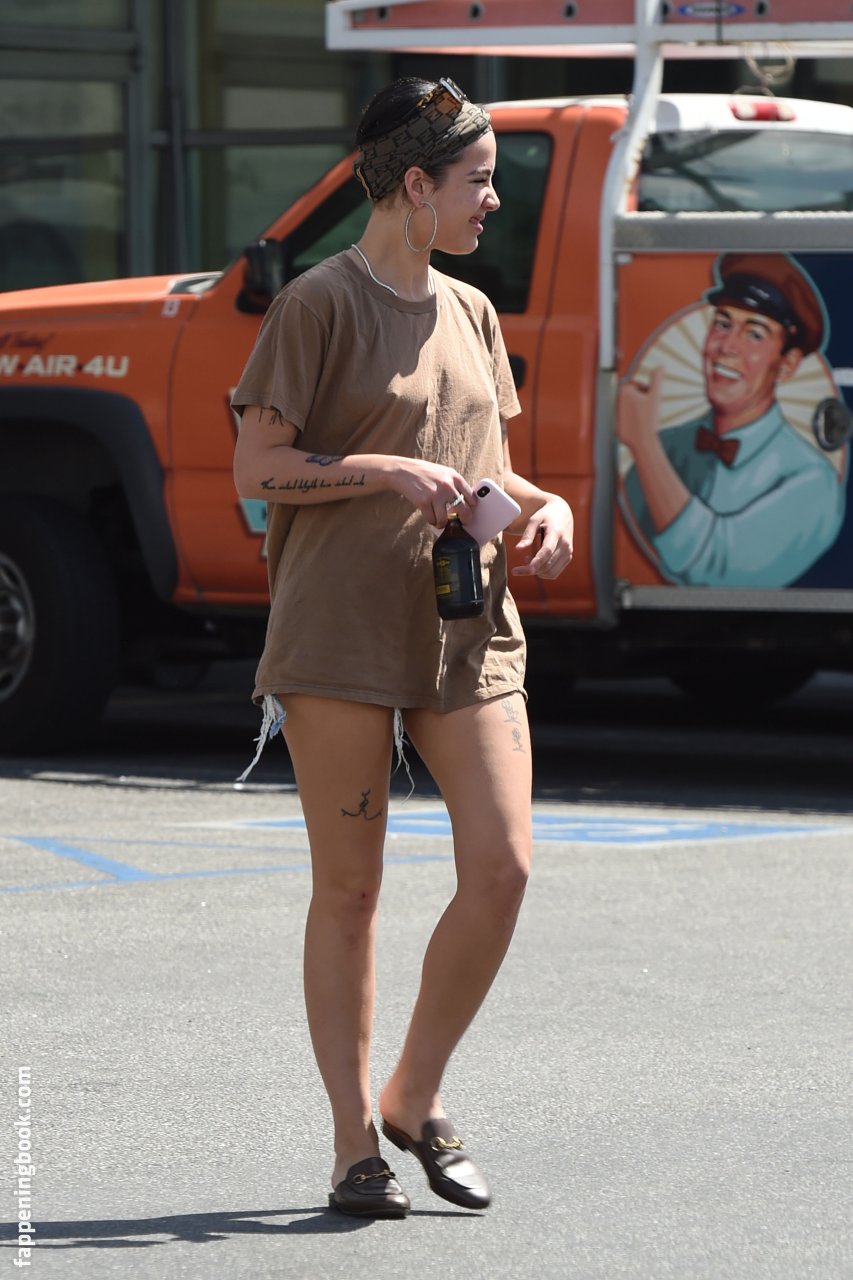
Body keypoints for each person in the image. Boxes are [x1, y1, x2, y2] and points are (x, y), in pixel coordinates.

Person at [231, 76, 574, 1218]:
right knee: (351, 891)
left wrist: (547, 509)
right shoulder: (316, 305)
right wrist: (380, 472)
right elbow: (258, 471)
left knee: (504, 866)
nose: (492, 200)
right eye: (478, 181)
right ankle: (352, 1145)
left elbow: (487, 463)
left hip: (465, 624)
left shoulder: (472, 311)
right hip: (337, 631)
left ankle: (411, 1097)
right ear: (415, 185)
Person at [618, 252, 846, 587]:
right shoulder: (669, 446)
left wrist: (645, 446)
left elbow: (715, 568)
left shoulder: (811, 480)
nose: (726, 347)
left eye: (754, 334)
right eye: (723, 324)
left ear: (787, 365)